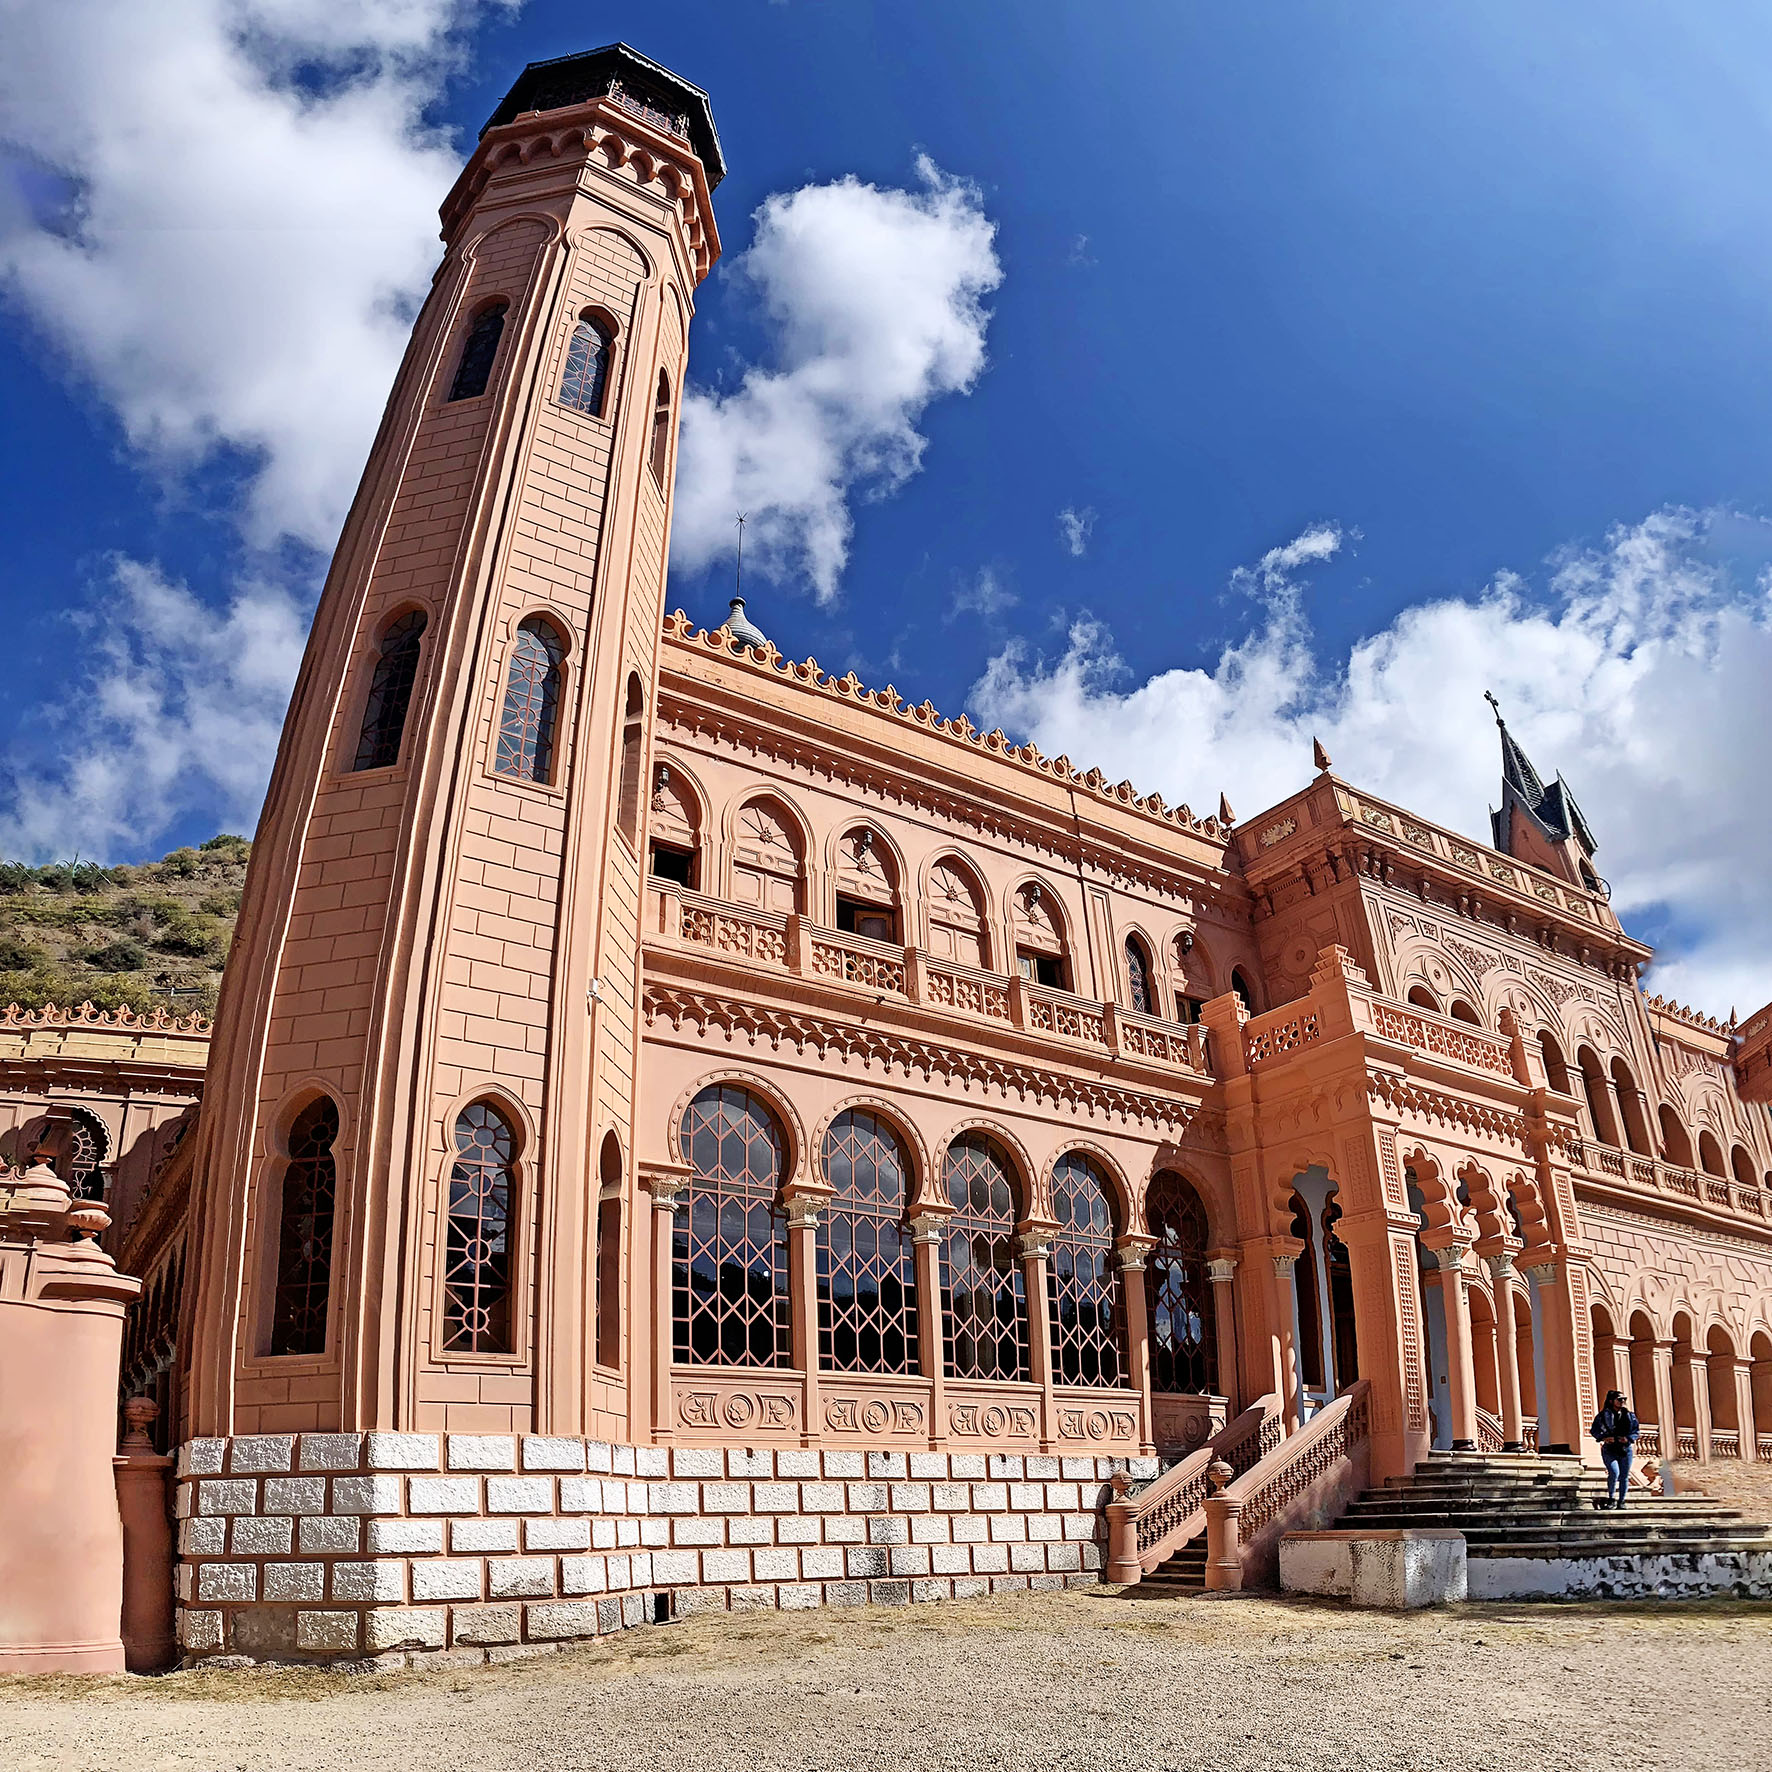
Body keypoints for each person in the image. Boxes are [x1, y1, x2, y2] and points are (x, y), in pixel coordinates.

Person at [1590, 1389, 1639, 1508]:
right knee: (1614, 1472)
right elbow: (1594, 1430)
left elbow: (1636, 1431)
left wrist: (1628, 1439)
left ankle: (1622, 1501)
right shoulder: (1603, 1416)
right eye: (1620, 1399)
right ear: (1612, 1401)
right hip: (1610, 1449)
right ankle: (1611, 1498)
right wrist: (1604, 1438)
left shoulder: (1629, 1415)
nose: (1623, 1402)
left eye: (1624, 1399)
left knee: (1624, 1475)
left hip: (1625, 1449)